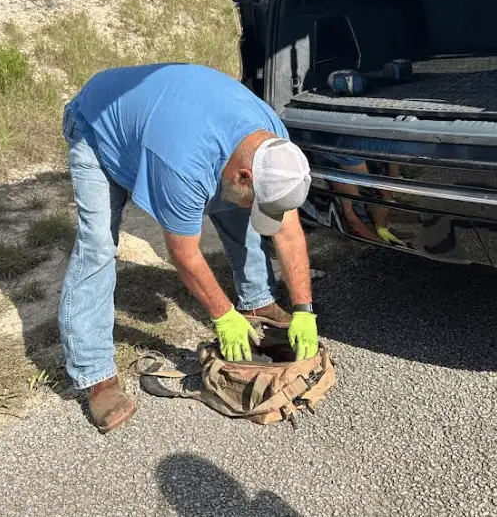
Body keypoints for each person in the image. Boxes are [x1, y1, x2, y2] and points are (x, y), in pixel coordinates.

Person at [60, 63, 318, 433]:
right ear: (243, 174)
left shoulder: (273, 146)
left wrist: (304, 309)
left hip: (173, 120)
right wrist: (222, 315)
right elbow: (183, 252)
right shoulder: (182, 165)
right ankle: (96, 375)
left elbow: (289, 231)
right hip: (98, 125)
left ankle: (258, 301)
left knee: (239, 208)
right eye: (251, 192)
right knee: (98, 246)